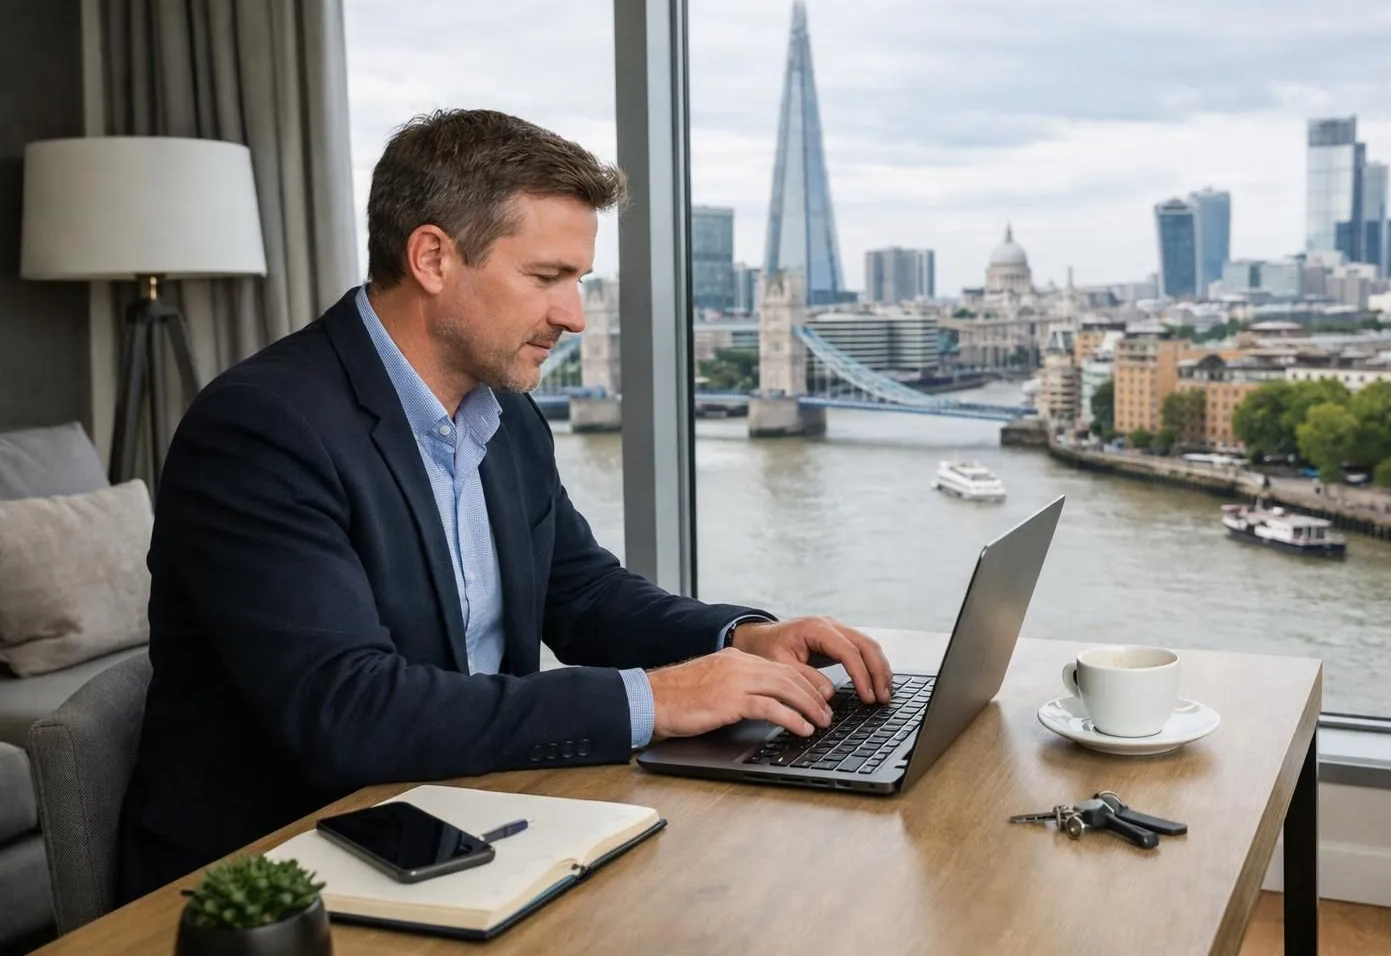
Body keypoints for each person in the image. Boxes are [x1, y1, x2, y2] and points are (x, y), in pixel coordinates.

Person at [117, 109, 892, 900]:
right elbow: (348, 712)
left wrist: (742, 637)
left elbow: (582, 593)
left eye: (579, 282)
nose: (575, 316)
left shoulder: (505, 413)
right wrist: (657, 699)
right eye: (546, 277)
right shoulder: (261, 429)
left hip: (469, 819)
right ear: (432, 258)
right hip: (276, 877)